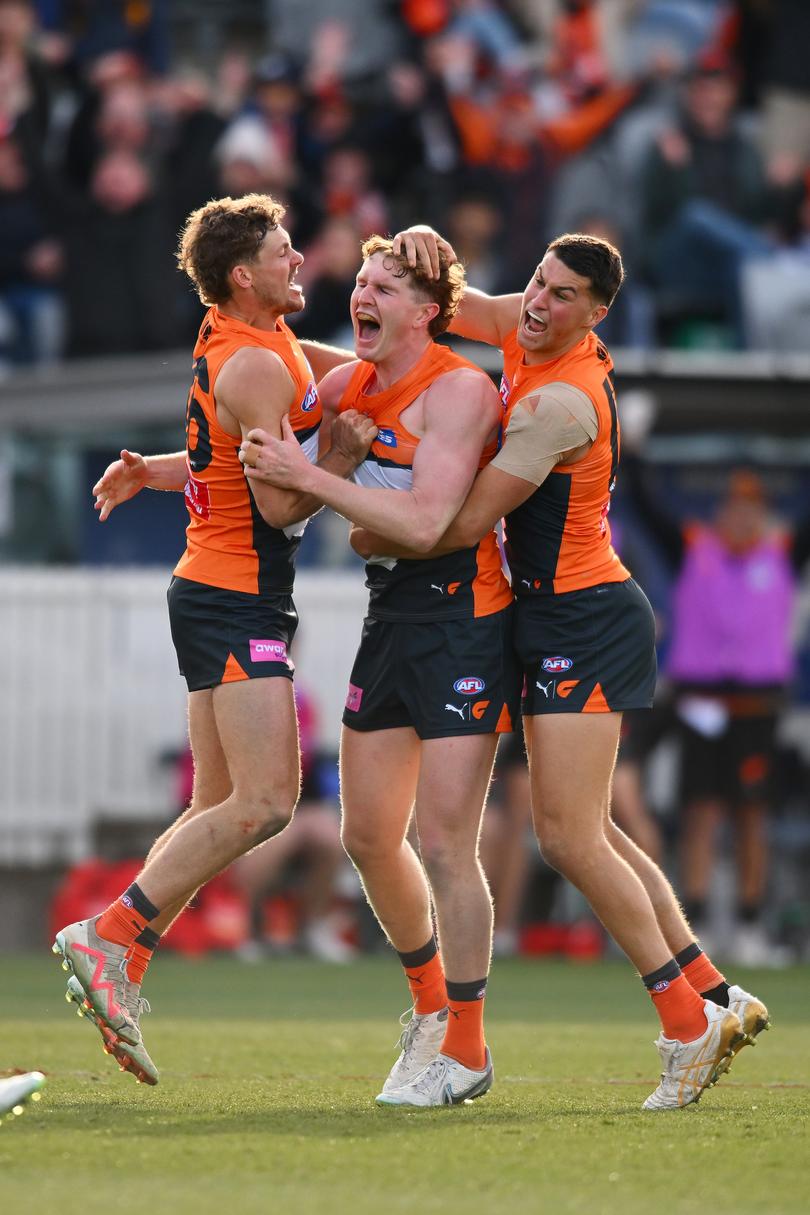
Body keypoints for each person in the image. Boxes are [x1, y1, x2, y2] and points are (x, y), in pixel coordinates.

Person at [330, 225, 770, 1110]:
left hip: (583, 615)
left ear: (597, 315)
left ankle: (685, 1022)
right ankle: (712, 992)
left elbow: (452, 526)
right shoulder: (527, 331)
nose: (536, 302)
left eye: (562, 296)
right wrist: (430, 243)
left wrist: (362, 518)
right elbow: (439, 309)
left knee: (567, 836)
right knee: (591, 829)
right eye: (537, 281)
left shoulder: (556, 405)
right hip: (550, 614)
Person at [52, 193, 374, 1086]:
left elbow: (215, 457)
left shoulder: (237, 339)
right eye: (284, 251)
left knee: (217, 800)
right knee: (269, 800)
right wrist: (340, 457)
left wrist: (152, 471)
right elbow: (278, 500)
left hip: (213, 588)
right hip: (234, 599)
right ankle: (108, 936)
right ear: (244, 275)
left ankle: (121, 964)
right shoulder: (260, 366)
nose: (300, 260)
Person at [240, 235, 521, 1107]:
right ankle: (432, 1009)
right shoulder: (343, 386)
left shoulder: (460, 388)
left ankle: (467, 1048)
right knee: (368, 836)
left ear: (426, 311)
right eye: (360, 281)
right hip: (391, 615)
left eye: (385, 286)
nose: (362, 294)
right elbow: (278, 497)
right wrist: (311, 463)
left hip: (465, 621)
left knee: (444, 842)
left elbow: (432, 521)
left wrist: (319, 477)